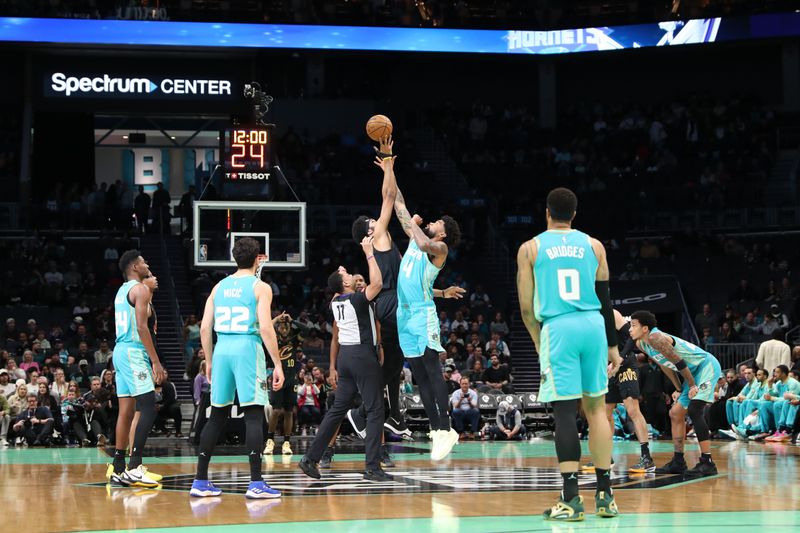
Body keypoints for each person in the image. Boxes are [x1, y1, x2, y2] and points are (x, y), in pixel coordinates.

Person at [347, 137, 465, 441]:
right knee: (411, 367)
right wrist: (387, 164)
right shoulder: (382, 236)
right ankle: (376, 415)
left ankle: (390, 418)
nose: (376, 221)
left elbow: (411, 283)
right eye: (372, 221)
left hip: (401, 305)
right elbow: (392, 199)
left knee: (398, 368)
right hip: (393, 306)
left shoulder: (424, 245)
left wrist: (440, 293)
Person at [516, 187, 622, 521]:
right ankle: (605, 496)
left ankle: (572, 499)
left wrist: (538, 340)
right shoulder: (595, 246)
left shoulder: (531, 248)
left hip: (558, 327)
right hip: (592, 324)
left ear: (547, 212)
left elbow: (525, 307)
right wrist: (613, 345)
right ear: (574, 214)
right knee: (597, 410)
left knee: (564, 412)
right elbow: (605, 299)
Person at [190, 237, 284, 499]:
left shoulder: (218, 287)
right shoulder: (260, 286)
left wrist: (209, 360)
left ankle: (200, 480)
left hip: (221, 350)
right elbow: (265, 327)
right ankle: (256, 483)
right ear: (257, 259)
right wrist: (277, 363)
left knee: (217, 415)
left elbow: (205, 328)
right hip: (246, 347)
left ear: (235, 258)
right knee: (253, 414)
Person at [388, 150, 463, 461]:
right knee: (418, 373)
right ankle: (436, 430)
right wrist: (388, 168)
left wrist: (415, 225)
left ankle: (446, 428)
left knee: (432, 371)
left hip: (421, 316)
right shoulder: (416, 237)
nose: (430, 221)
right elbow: (398, 203)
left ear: (442, 231)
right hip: (404, 315)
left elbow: (419, 240)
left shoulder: (439, 247)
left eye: (435, 222)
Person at [299, 236, 393, 482]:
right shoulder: (356, 299)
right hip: (362, 355)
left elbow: (338, 284)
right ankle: (372, 467)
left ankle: (310, 458)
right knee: (375, 410)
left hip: (345, 358)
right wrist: (369, 253)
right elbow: (379, 282)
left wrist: (341, 274)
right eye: (348, 276)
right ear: (345, 285)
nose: (352, 275)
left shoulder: (335, 301)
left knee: (337, 409)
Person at [629, 310, 722, 476]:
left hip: (705, 366)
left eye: (633, 325)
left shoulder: (655, 338)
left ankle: (707, 462)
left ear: (645, 328)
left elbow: (679, 361)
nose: (630, 329)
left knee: (694, 410)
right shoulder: (642, 344)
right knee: (675, 413)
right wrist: (679, 389)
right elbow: (666, 365)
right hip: (691, 373)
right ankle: (678, 461)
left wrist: (692, 385)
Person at [106, 251, 165, 488]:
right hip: (133, 351)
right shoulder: (140, 290)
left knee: (126, 411)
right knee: (148, 406)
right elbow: (142, 327)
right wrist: (155, 361)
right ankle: (135, 466)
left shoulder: (122, 290)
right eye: (143, 261)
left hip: (120, 351)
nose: (147, 263)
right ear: (134, 266)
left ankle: (118, 467)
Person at [592, 310, 654, 473]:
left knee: (633, 410)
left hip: (625, 364)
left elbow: (631, 337)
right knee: (605, 414)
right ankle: (606, 456)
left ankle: (647, 458)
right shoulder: (587, 317)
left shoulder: (611, 314)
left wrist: (619, 358)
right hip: (608, 368)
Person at [263, 312, 300, 456]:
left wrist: (293, 320)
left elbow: (308, 330)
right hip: (277, 376)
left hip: (291, 377)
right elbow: (265, 327)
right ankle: (270, 440)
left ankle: (286, 442)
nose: (284, 330)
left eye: (286, 328)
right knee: (276, 410)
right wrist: (277, 319)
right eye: (282, 327)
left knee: (289, 411)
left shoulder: (294, 339)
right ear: (278, 328)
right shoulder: (272, 338)